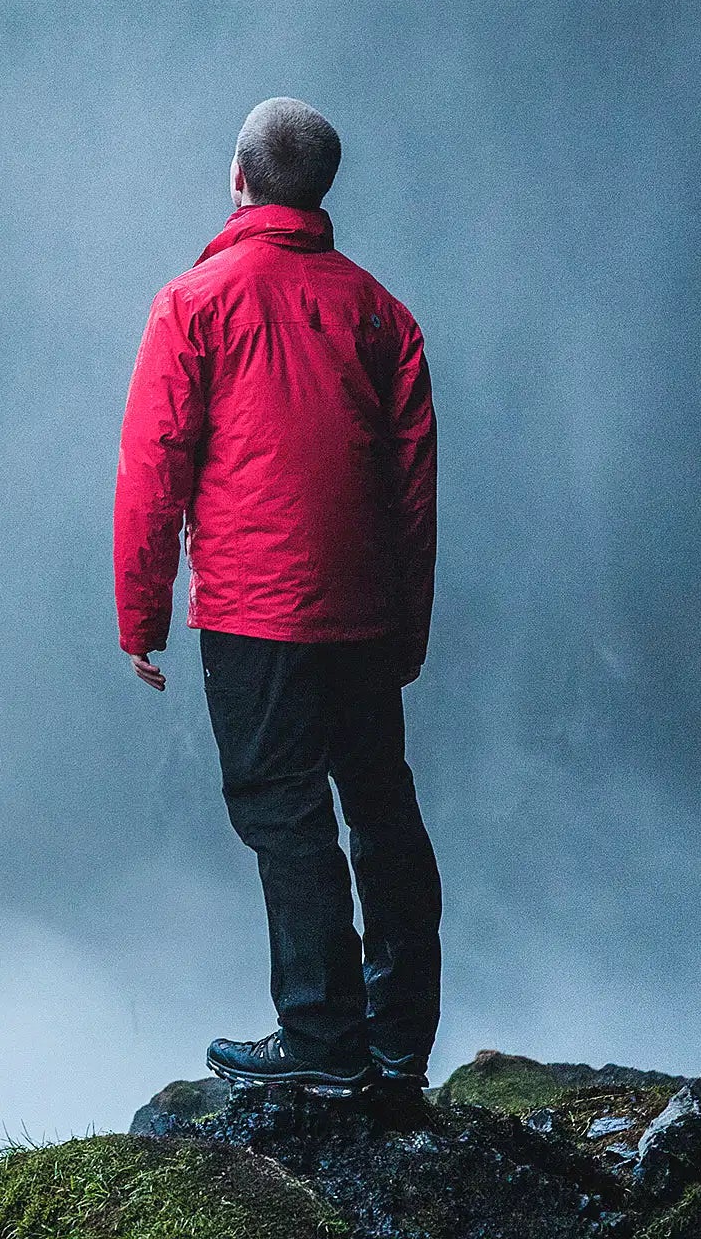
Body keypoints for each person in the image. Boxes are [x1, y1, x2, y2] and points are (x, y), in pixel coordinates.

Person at [113, 97, 442, 1098]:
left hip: (255, 612)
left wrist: (142, 614)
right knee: (379, 802)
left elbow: (152, 465)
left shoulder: (194, 301)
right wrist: (406, 629)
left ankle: (320, 1037)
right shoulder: (383, 312)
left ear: (239, 178)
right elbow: (414, 488)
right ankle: (398, 1042)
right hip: (361, 610)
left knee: (282, 810)